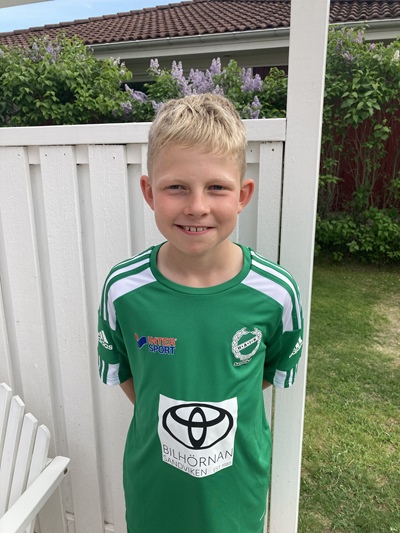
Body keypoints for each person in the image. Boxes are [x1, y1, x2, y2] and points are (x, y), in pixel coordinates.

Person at [97, 93, 303, 533]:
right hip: (155, 490)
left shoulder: (276, 294)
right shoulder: (123, 290)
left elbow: (266, 373)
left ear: (243, 195)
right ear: (149, 192)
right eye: (176, 187)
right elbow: (129, 375)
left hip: (237, 492)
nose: (196, 206)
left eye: (216, 187)